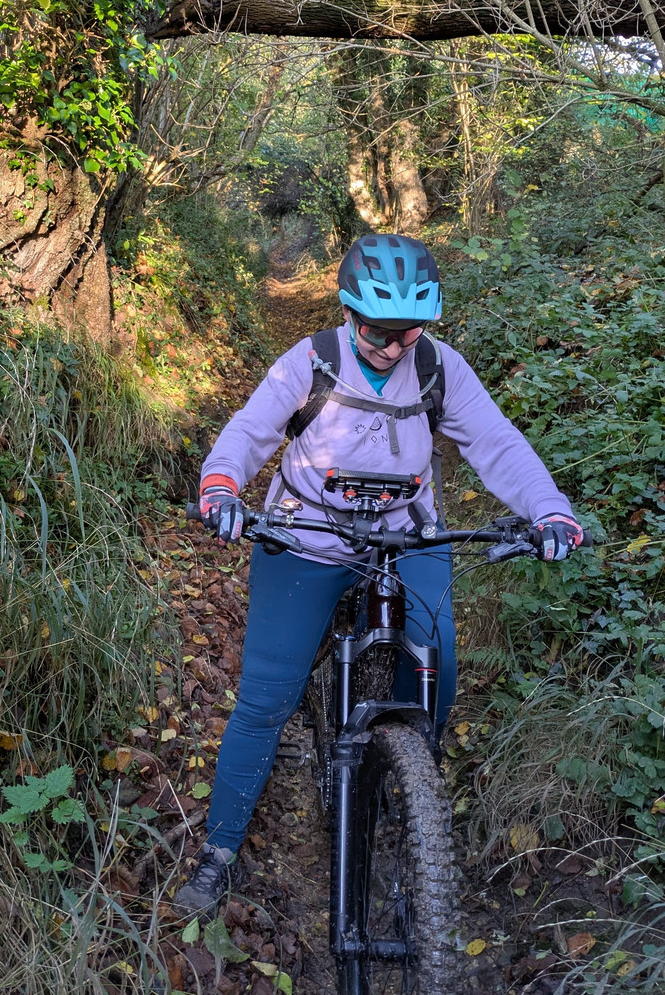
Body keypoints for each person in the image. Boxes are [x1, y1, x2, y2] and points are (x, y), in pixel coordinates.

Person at [175, 233, 584, 915]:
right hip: (307, 535)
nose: (394, 348)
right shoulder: (311, 361)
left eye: (408, 332)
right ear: (348, 312)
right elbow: (250, 430)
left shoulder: (440, 367)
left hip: (405, 534)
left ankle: (405, 782)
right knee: (267, 696)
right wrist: (221, 484)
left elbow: (497, 441)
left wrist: (549, 509)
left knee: (437, 660)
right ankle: (219, 850)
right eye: (377, 332)